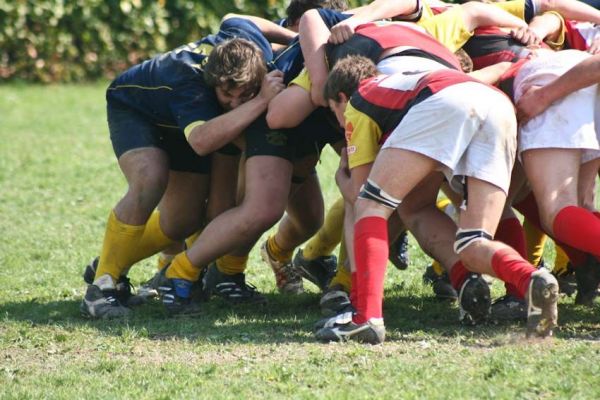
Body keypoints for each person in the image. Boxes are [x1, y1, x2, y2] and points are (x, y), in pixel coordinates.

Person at [315, 54, 559, 344]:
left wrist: (342, 180)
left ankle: (365, 317)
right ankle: (531, 279)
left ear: (341, 98)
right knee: (472, 242)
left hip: (445, 101)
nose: (339, 122)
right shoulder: (407, 77)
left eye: (334, 111)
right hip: (497, 105)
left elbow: (361, 194)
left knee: (371, 203)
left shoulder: (360, 98)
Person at [81, 18, 286, 319]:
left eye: (244, 95)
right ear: (212, 82)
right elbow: (202, 141)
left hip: (187, 126)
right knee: (150, 178)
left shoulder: (251, 49)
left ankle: (113, 259)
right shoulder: (191, 86)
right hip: (138, 109)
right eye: (226, 96)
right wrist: (259, 102)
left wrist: (294, 36)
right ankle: (102, 289)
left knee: (182, 221)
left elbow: (236, 19)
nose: (233, 103)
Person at [515, 50, 600, 305]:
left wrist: (543, 95)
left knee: (557, 210)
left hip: (553, 78)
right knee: (580, 207)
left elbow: (549, 9)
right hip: (575, 79)